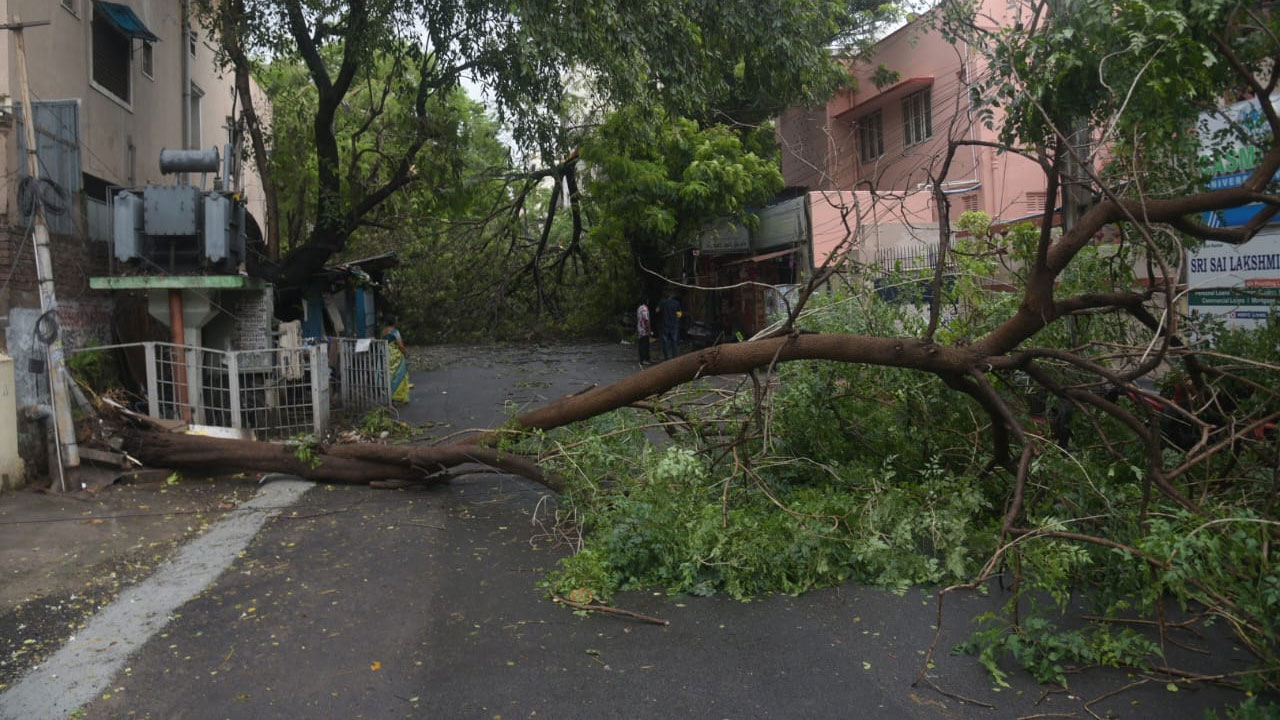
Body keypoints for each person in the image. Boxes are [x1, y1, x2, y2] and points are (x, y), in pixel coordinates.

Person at [383, 315, 410, 404]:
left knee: (389, 375)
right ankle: (398, 396)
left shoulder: (383, 331)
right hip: (395, 356)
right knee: (400, 374)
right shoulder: (395, 332)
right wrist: (406, 353)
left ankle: (390, 396)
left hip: (386, 355)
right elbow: (400, 345)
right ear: (394, 322)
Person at [657, 292, 682, 360]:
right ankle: (674, 356)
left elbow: (657, 310)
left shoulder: (662, 302)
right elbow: (679, 315)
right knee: (674, 341)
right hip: (674, 325)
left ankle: (667, 357)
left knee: (665, 341)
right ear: (672, 296)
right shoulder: (677, 303)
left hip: (665, 325)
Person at [636, 298, 653, 365]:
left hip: (640, 329)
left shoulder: (639, 308)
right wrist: (649, 330)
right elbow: (646, 320)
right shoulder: (644, 308)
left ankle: (643, 359)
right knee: (644, 345)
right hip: (644, 330)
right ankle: (644, 359)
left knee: (641, 344)